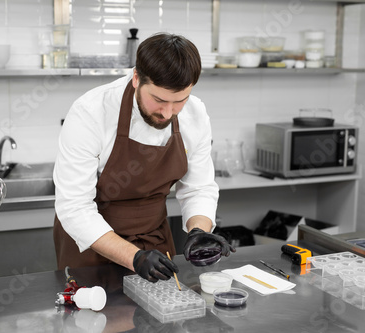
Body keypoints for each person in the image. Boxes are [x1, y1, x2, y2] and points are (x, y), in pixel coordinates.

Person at [53, 32, 234, 282]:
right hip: (93, 246)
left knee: (158, 319)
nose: (168, 112)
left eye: (179, 101)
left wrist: (198, 230)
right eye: (159, 100)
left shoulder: (195, 115)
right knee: (94, 318)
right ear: (137, 78)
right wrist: (134, 257)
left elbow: (198, 188)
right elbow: (74, 207)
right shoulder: (91, 113)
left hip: (154, 241)